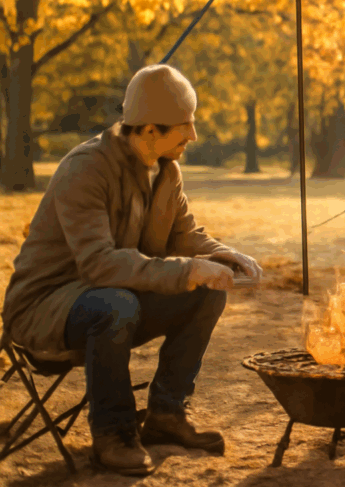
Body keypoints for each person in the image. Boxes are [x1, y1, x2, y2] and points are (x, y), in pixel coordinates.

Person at [1, 65, 262, 476]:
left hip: (113, 299)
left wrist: (224, 256)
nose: (194, 135)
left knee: (207, 289)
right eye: (185, 125)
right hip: (45, 308)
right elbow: (98, 263)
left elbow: (184, 234)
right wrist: (188, 269)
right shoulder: (85, 169)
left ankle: (166, 414)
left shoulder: (166, 170)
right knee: (117, 304)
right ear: (150, 129)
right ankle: (113, 435)